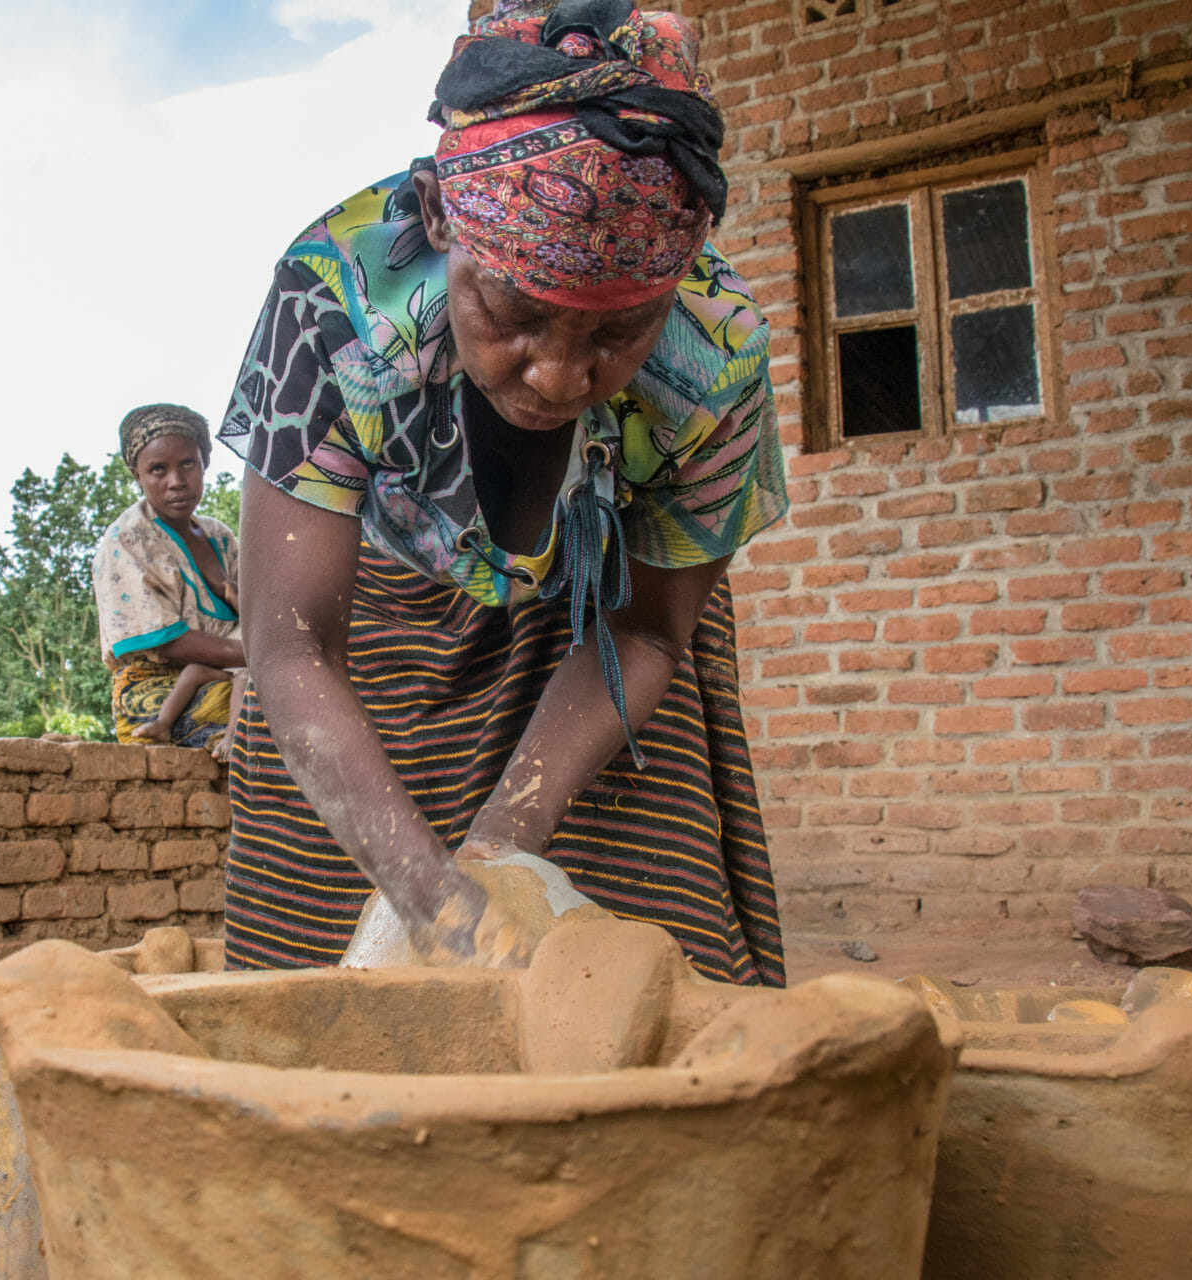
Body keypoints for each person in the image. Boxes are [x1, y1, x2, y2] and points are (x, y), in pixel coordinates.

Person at [216, 0, 790, 979]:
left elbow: (650, 629)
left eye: (618, 333)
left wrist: (504, 842)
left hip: (600, 637)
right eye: (515, 314)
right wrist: (433, 896)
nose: (562, 377)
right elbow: (293, 639)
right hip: (365, 637)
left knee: (635, 975)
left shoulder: (716, 350)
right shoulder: (337, 303)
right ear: (441, 218)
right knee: (311, 994)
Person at [92, 404, 246, 760]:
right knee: (277, 706)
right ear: (137, 475)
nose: (176, 481)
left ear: (204, 463)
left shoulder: (219, 537)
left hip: (227, 676)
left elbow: (257, 612)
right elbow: (168, 643)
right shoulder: (128, 540)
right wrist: (260, 656)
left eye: (188, 464)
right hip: (158, 692)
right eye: (158, 470)